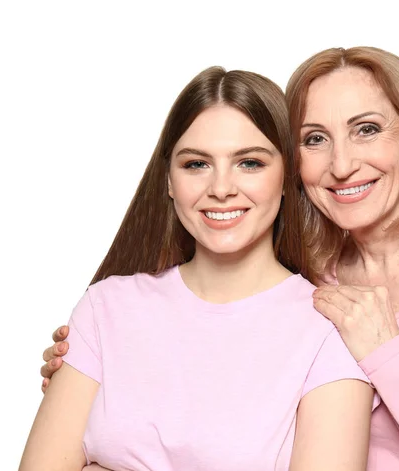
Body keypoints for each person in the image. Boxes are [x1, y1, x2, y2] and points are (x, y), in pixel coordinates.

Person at [39, 47, 399, 470]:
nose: (342, 163)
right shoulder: (309, 278)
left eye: (368, 129)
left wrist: (387, 355)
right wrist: (101, 367)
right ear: (295, 167)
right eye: (315, 139)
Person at [20, 66, 375, 471]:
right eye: (196, 164)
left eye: (250, 163)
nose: (221, 188)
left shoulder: (329, 331)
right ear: (169, 179)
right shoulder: (105, 309)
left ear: (286, 176)